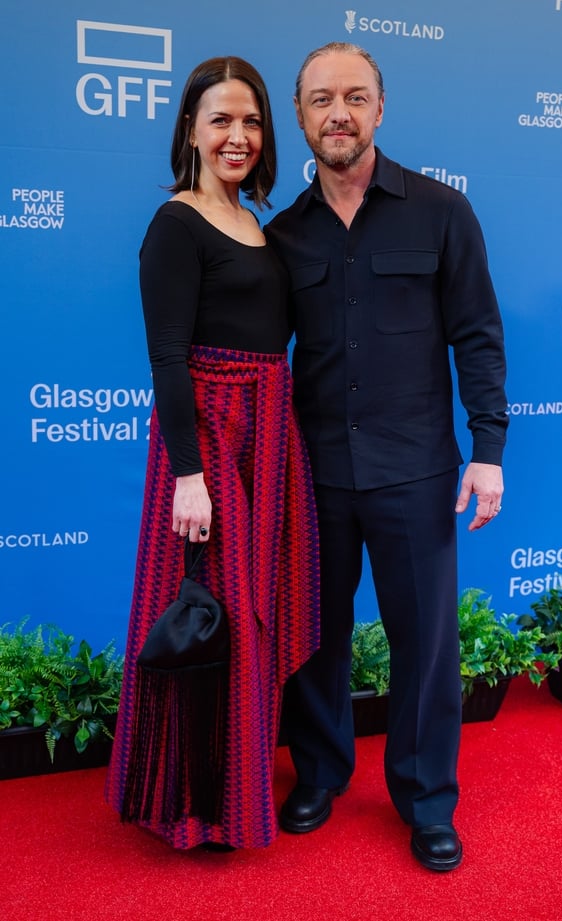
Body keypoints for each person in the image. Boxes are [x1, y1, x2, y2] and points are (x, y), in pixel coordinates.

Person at [265, 42, 508, 872]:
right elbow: (258, 359)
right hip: (315, 474)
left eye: (356, 97)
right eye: (322, 99)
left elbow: (478, 333)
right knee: (315, 639)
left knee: (427, 644)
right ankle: (321, 774)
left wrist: (489, 450)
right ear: (299, 116)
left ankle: (425, 797)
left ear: (380, 108)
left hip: (417, 471)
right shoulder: (283, 237)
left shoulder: (442, 212)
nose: (340, 113)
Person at [105, 56, 319, 851]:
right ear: (190, 128)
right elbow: (166, 357)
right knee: (209, 614)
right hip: (210, 437)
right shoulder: (176, 223)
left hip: (268, 432)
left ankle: (236, 790)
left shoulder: (257, 222)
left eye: (252, 121)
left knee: (251, 617)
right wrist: (190, 474)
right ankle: (189, 805)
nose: (238, 135)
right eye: (221, 119)